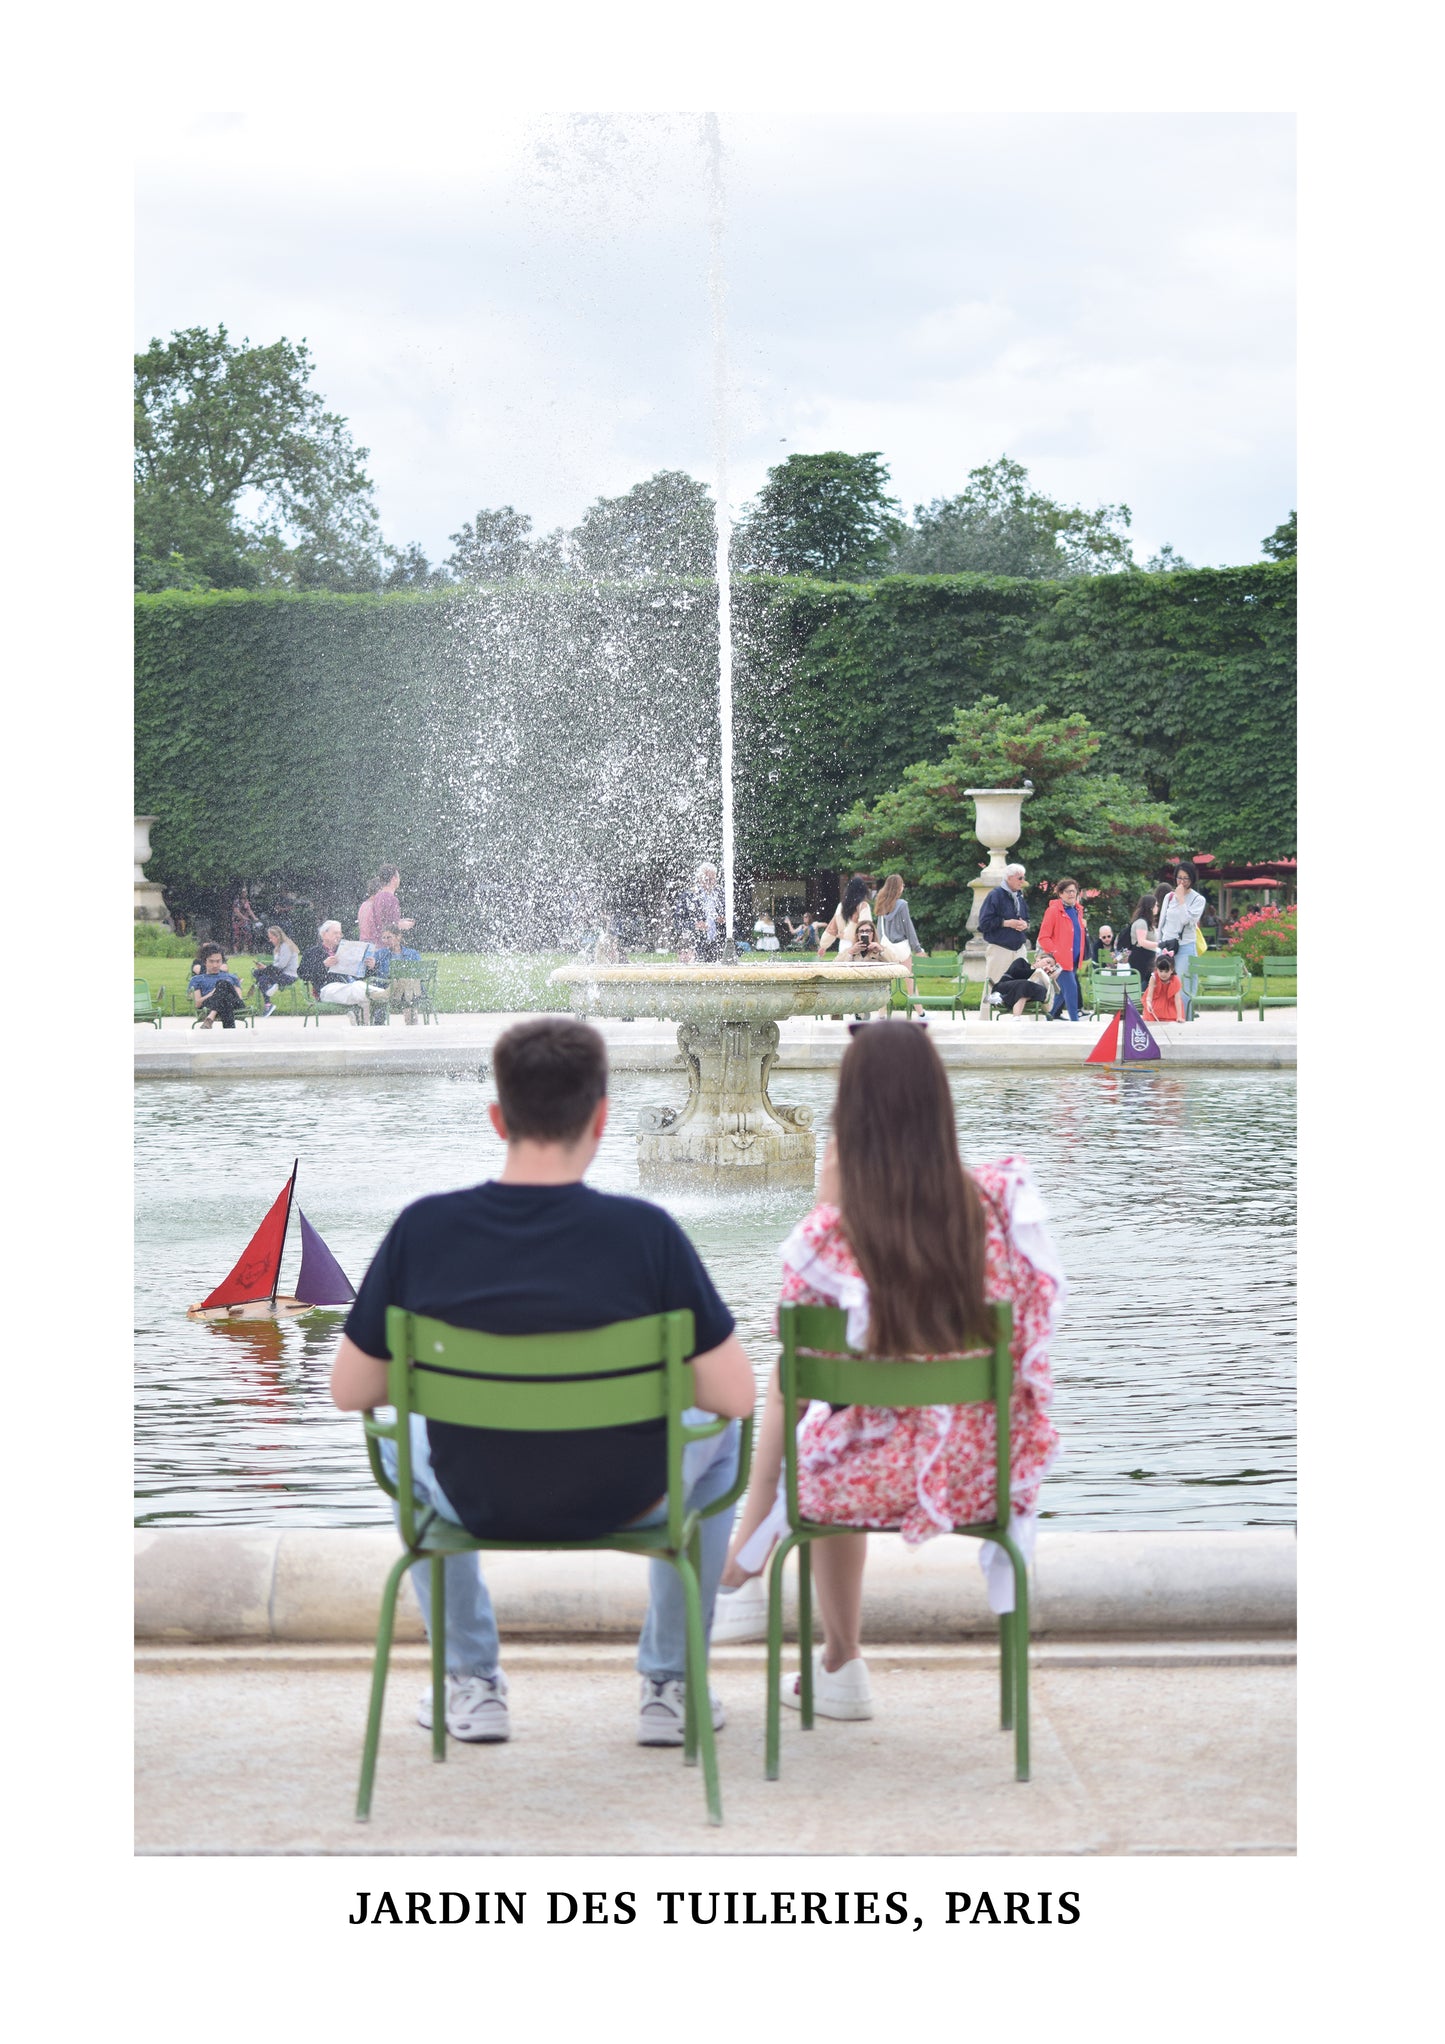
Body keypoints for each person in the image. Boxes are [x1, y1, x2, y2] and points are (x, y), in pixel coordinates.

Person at [329, 1016, 755, 1747]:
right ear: (602, 1117)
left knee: (403, 1445)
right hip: (627, 1495)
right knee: (727, 1441)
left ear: (498, 1118)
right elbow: (735, 1396)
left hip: (476, 1496)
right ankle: (672, 1683)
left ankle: (468, 1680)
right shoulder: (647, 1234)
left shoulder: (423, 1229)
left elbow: (351, 1390)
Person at [710, 1022, 1063, 1704]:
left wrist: (826, 1202)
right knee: (820, 1399)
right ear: (938, 1103)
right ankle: (780, 1596)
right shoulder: (999, 1204)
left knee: (801, 1389)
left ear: (848, 1117)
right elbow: (1030, 1336)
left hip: (853, 1485)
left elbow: (803, 1349)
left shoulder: (832, 1234)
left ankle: (824, 1643)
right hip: (982, 1475)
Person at [298, 920, 382, 1019]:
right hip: (327, 989)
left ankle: (365, 1018)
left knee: (357, 988)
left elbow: (359, 974)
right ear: (324, 934)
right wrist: (323, 965)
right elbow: (302, 974)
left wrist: (371, 966)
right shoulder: (312, 953)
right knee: (358, 988)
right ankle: (382, 994)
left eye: (340, 933)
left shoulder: (345, 950)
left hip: (350, 987)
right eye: (335, 933)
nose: (339, 936)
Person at [1037, 878, 1089, 1021]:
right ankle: (1075, 1021)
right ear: (1060, 893)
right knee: (1071, 989)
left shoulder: (1077, 910)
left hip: (1074, 959)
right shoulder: (1053, 911)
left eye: (1074, 891)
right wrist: (1055, 953)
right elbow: (1043, 937)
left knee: (1062, 992)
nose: (1071, 894)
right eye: (1068, 891)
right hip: (1061, 960)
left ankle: (1049, 1016)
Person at [977, 862, 1032, 991]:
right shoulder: (995, 895)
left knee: (1020, 986)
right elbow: (984, 923)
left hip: (1019, 949)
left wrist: (1025, 924)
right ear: (1009, 878)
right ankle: (987, 1012)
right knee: (993, 987)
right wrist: (1006, 923)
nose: (1023, 881)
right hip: (1000, 949)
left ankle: (1016, 1012)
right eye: (1020, 878)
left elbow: (1027, 918)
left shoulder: (1019, 896)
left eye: (1023, 878)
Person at [1157, 862, 1208, 974]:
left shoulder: (1198, 899)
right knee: (1164, 981)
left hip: (1185, 945)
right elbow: (1162, 922)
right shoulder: (1169, 897)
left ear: (1192, 879)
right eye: (1179, 878)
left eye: (1186, 878)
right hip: (1166, 945)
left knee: (1182, 983)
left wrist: (1181, 899)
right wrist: (1158, 944)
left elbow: (1186, 920)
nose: (1182, 882)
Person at [372, 925, 424, 1024]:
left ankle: (410, 1021)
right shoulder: (380, 954)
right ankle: (412, 1022)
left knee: (407, 983)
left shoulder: (412, 954)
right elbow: (373, 973)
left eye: (389, 937)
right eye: (384, 938)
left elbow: (419, 973)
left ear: (398, 937)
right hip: (390, 987)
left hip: (408, 989)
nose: (386, 940)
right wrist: (372, 965)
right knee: (403, 985)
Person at [815, 876, 874, 960]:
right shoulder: (863, 906)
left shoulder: (841, 906)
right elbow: (866, 929)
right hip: (858, 945)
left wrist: (823, 946)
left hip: (843, 945)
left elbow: (832, 928)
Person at [188, 945, 247, 1029]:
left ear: (222, 961)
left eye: (218, 961)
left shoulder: (231, 977)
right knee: (226, 998)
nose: (215, 965)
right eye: (211, 961)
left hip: (234, 1003)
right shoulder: (197, 979)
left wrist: (221, 990)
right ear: (205, 962)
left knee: (223, 984)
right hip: (210, 1003)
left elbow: (239, 999)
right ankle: (230, 1032)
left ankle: (210, 1017)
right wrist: (212, 993)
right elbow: (197, 1003)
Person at [251, 926, 300, 1016]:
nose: (270, 940)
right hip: (280, 974)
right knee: (259, 974)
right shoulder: (279, 947)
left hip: (289, 975)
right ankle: (269, 994)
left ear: (277, 936)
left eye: (271, 938)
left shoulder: (286, 945)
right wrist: (265, 968)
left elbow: (281, 965)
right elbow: (277, 966)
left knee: (261, 976)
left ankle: (268, 1001)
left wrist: (266, 969)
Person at [988, 951, 1056, 1016]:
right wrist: (1037, 971)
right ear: (1038, 959)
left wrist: (1047, 977)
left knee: (1035, 989)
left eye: (1051, 966)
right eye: (1048, 962)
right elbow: (1015, 972)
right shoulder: (1022, 962)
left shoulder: (1042, 977)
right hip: (1004, 988)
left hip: (1023, 992)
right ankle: (1001, 997)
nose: (1048, 965)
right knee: (1025, 985)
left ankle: (1003, 1000)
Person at [359, 866, 414, 945]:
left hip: (375, 944)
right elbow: (389, 928)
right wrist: (402, 925)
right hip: (384, 947)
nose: (399, 879)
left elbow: (381, 922)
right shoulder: (391, 899)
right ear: (394, 878)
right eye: (398, 877)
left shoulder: (377, 897)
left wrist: (397, 922)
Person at [688, 863, 726, 962]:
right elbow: (679, 920)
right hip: (697, 944)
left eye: (712, 879)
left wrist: (724, 920)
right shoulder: (690, 895)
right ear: (699, 879)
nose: (709, 882)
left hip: (719, 942)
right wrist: (695, 925)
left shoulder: (722, 894)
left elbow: (735, 919)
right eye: (706, 879)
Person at [1143, 948, 1187, 1023]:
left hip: (1169, 1003)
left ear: (1172, 970)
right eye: (1161, 971)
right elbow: (1149, 995)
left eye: (1166, 971)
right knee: (1151, 1014)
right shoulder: (1154, 978)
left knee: (1172, 1017)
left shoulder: (1175, 980)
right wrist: (1148, 1003)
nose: (1163, 974)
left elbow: (1177, 1000)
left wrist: (1179, 1016)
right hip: (1156, 1001)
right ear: (1157, 969)